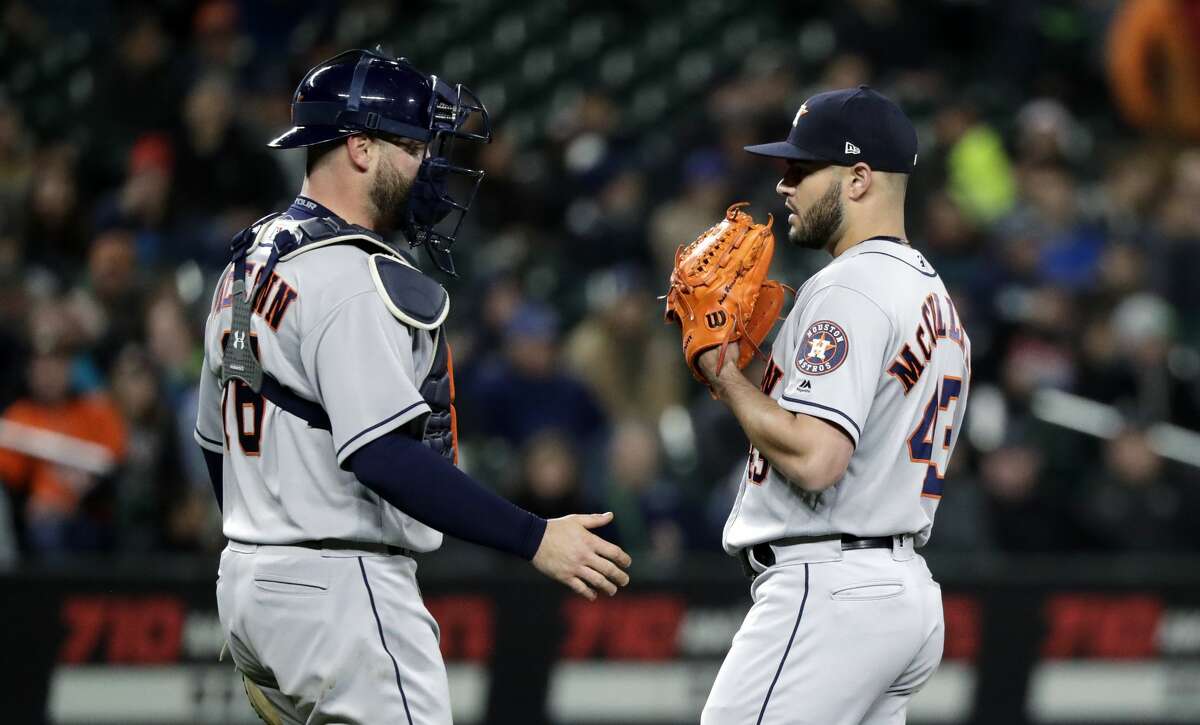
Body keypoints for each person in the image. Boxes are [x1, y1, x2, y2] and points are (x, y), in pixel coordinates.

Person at [193, 49, 631, 724]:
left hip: (251, 578)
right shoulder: (348, 275)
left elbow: (215, 444)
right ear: (360, 148)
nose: (429, 163)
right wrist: (534, 536)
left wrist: (266, 541)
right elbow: (382, 454)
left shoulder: (245, 263)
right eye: (415, 144)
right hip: (340, 588)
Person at [695, 86, 972, 724]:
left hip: (831, 589)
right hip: (896, 591)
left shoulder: (848, 286)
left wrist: (725, 374)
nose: (783, 186)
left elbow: (818, 458)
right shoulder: (929, 292)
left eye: (800, 169)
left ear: (858, 178)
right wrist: (757, 370)